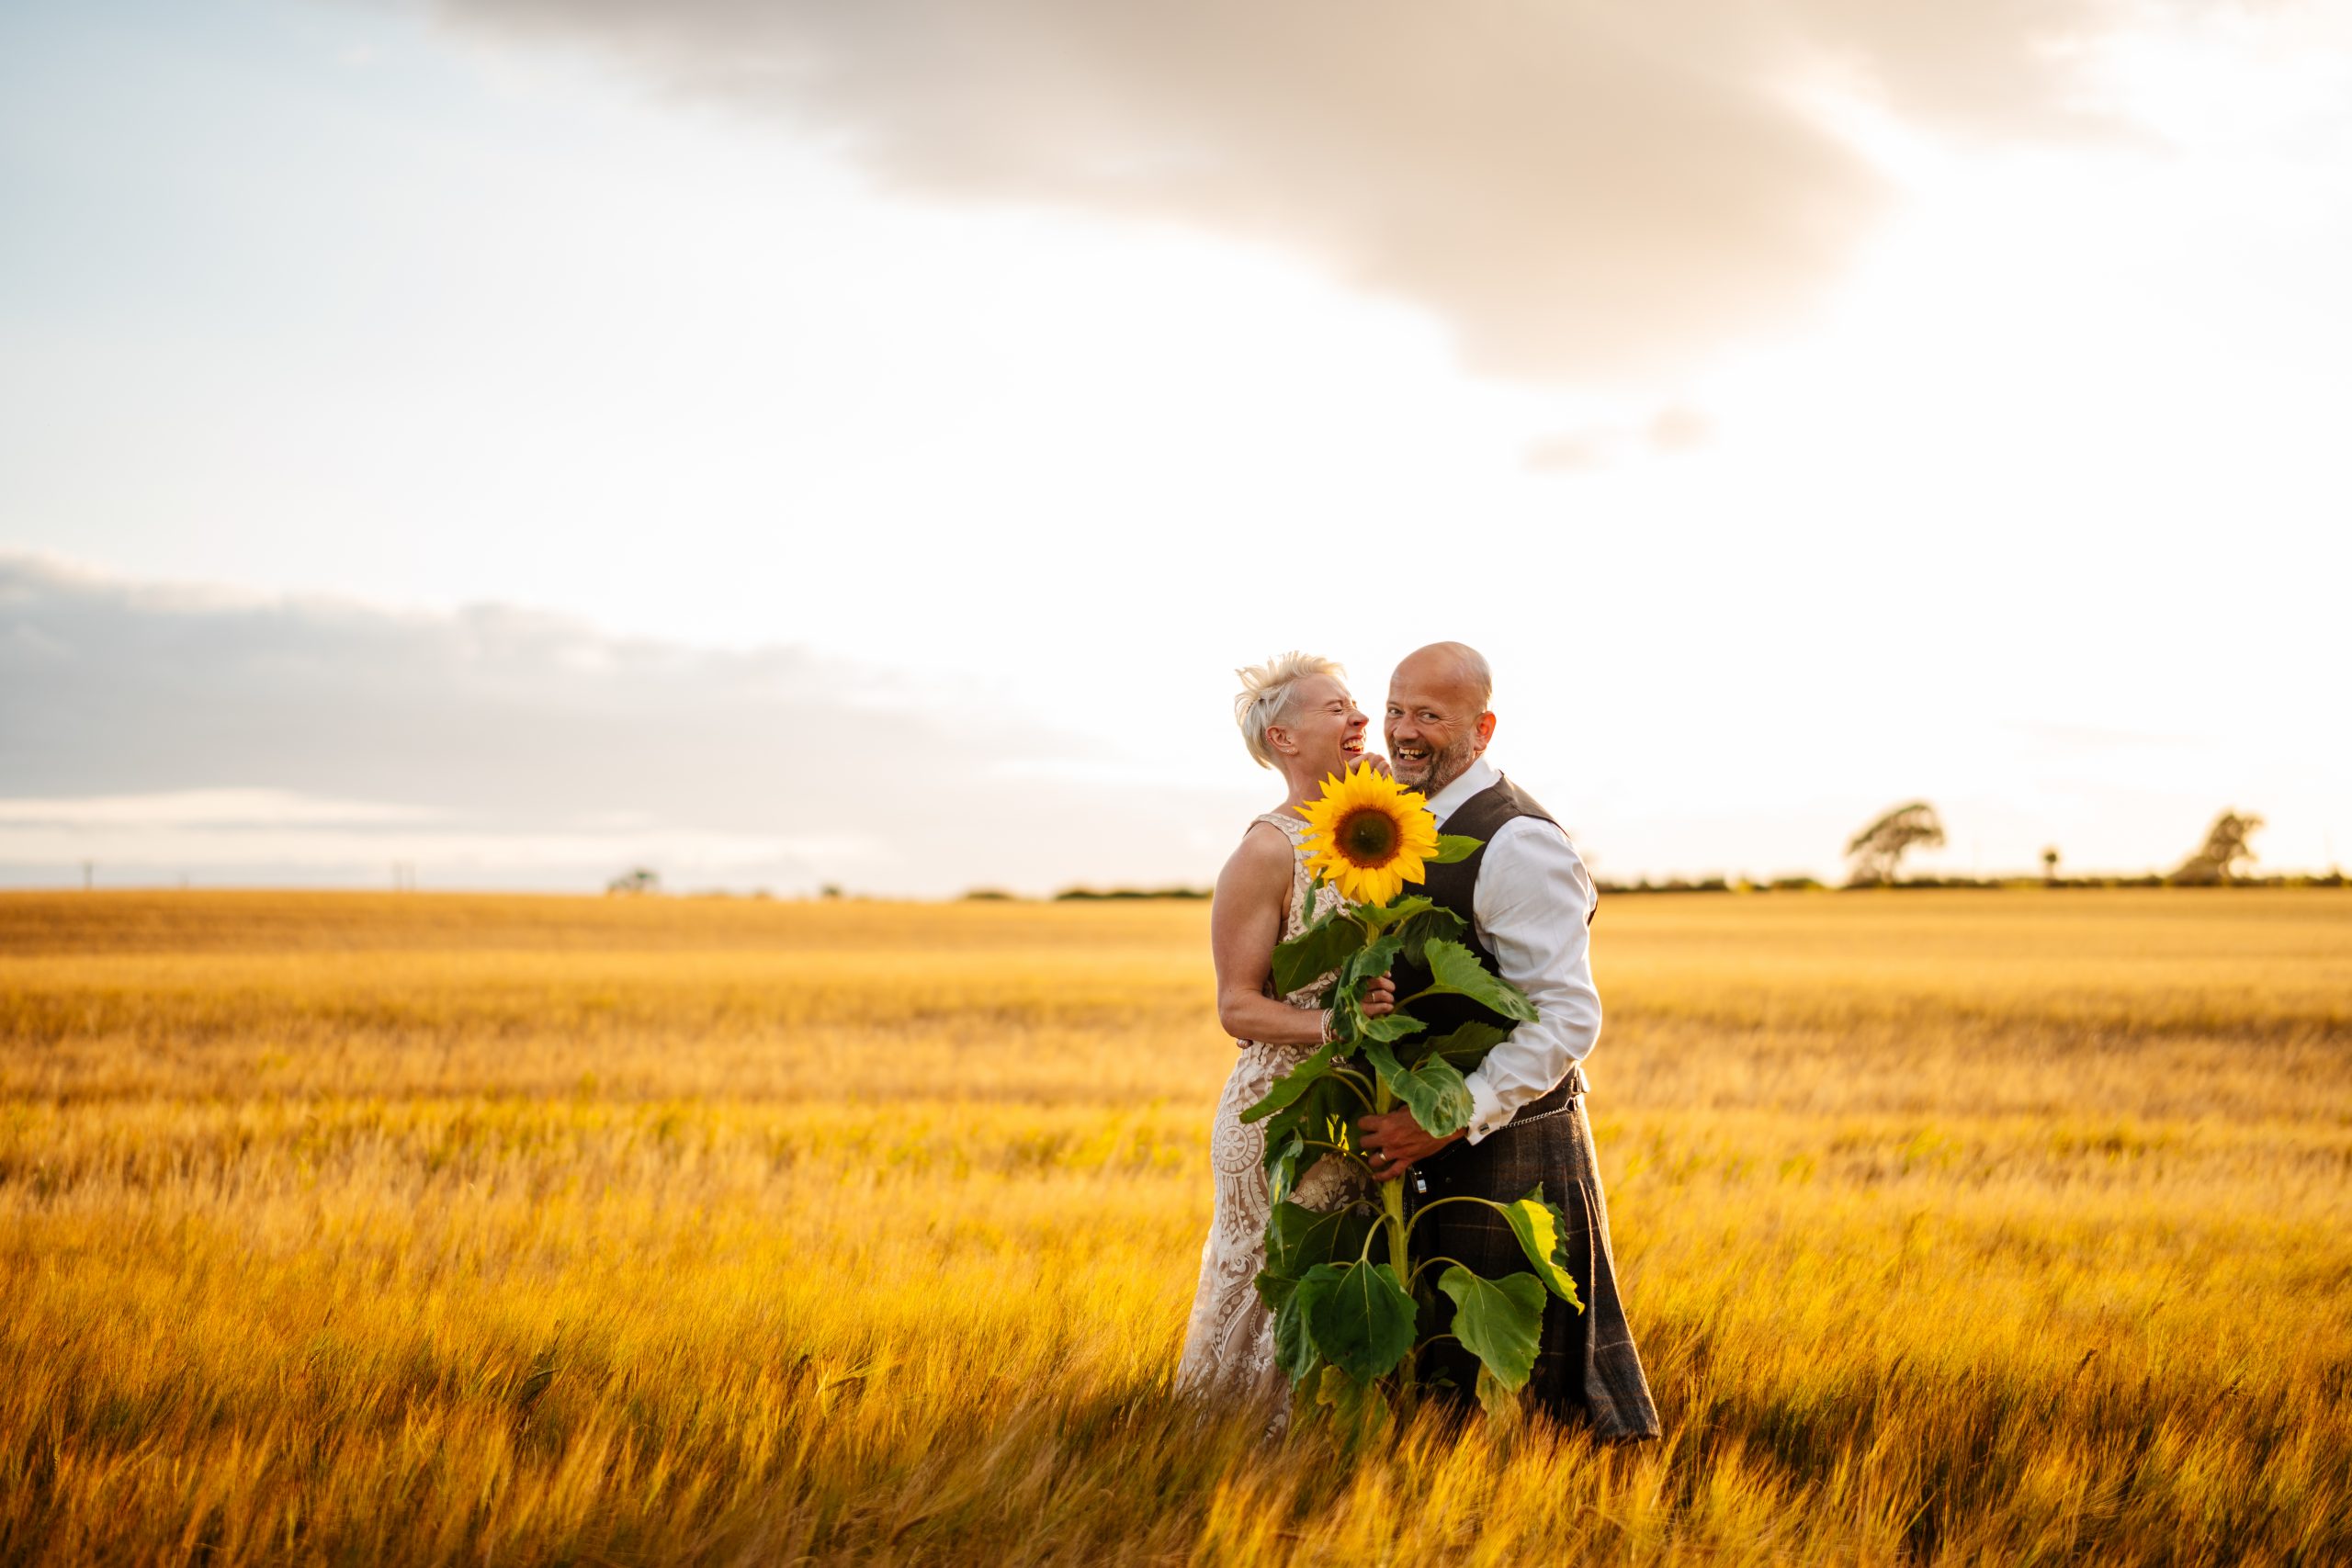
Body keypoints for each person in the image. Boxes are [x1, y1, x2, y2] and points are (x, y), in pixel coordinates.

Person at [1355, 641, 1662, 1439]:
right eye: (1395, 710)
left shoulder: (1516, 841)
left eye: (1430, 715)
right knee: (1438, 1402)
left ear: (1482, 729)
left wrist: (1447, 1116)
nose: (1404, 731)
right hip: (1425, 1145)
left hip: (1510, 1147)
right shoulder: (1404, 820)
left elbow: (1566, 1017)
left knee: (1537, 1407)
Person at [1174, 652, 1397, 1412]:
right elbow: (1237, 1006)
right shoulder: (1268, 849)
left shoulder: (1377, 830)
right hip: (1281, 1110)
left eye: (1356, 705)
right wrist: (1337, 1025)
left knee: (1340, 1289)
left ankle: (1320, 1454)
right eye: (1336, 708)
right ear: (1285, 738)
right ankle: (1229, 1453)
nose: (1361, 718)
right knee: (1272, 1287)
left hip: (1358, 1106)